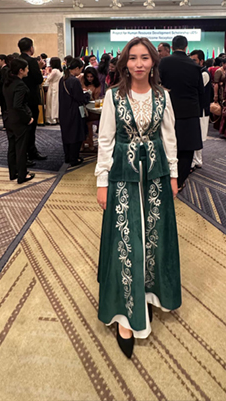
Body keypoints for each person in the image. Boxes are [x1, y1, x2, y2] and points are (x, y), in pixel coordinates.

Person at [95, 36, 180, 359]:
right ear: (125, 63)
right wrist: (102, 181)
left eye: (145, 57)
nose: (139, 64)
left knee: (154, 235)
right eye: (133, 58)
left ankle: (149, 293)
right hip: (123, 174)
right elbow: (105, 140)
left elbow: (169, 137)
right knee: (126, 239)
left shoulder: (163, 96)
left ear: (153, 62)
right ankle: (124, 315)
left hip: (156, 174)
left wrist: (174, 174)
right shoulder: (114, 96)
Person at [158, 35, 204, 190]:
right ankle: (180, 181)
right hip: (190, 111)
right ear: (186, 47)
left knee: (167, 145)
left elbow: (157, 85)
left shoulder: (164, 62)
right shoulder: (194, 66)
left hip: (168, 110)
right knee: (187, 148)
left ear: (172, 47)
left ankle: (167, 177)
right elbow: (200, 91)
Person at [3, 57, 36, 184]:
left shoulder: (8, 82)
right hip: (18, 120)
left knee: (12, 147)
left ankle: (13, 172)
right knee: (21, 148)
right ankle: (22, 174)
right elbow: (18, 105)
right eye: (26, 68)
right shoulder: (20, 85)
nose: (28, 70)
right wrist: (27, 119)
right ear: (21, 70)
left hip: (8, 118)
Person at [18, 37, 48, 161]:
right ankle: (31, 152)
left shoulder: (16, 60)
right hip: (31, 97)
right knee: (31, 127)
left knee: (22, 127)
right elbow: (39, 80)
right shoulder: (31, 61)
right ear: (31, 48)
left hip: (18, 98)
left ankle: (24, 153)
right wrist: (39, 68)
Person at [59, 59, 90, 166]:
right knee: (75, 134)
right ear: (76, 68)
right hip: (74, 110)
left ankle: (67, 156)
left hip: (64, 110)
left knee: (66, 134)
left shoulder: (63, 79)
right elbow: (79, 98)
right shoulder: (74, 81)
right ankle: (74, 158)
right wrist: (87, 95)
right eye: (81, 69)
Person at [189, 50, 212, 169]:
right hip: (197, 108)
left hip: (202, 109)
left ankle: (197, 160)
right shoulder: (197, 72)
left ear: (201, 61)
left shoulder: (204, 74)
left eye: (194, 60)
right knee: (196, 134)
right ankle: (197, 160)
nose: (192, 63)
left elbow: (195, 89)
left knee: (199, 135)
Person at [80, 66, 102, 150]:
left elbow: (97, 99)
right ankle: (81, 144)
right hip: (81, 105)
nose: (89, 79)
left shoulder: (97, 85)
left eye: (91, 77)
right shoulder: (82, 80)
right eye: (88, 77)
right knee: (81, 125)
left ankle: (90, 143)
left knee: (89, 125)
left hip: (91, 106)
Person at [44, 57, 63, 124]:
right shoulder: (60, 71)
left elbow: (48, 79)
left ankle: (52, 119)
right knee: (56, 103)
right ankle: (57, 118)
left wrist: (47, 73)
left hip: (53, 87)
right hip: (58, 87)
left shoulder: (54, 71)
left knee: (51, 103)